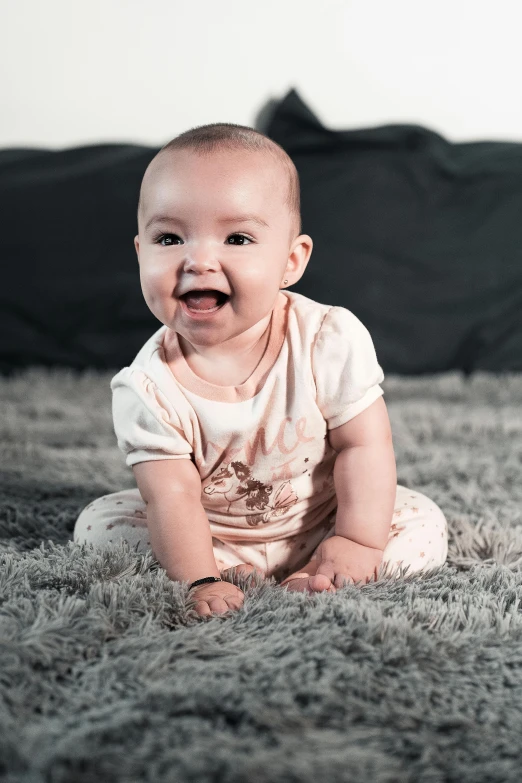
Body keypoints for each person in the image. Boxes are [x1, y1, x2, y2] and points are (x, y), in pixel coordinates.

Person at [73, 122, 448, 618]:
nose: (199, 260)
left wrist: (357, 540)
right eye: (169, 238)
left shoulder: (325, 340)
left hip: (324, 518)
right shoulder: (148, 387)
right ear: (140, 253)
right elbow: (172, 496)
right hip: (213, 534)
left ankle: (323, 564)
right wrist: (200, 578)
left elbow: (365, 444)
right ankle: (231, 573)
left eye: (237, 237)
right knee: (97, 527)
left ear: (291, 261)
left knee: (423, 521)